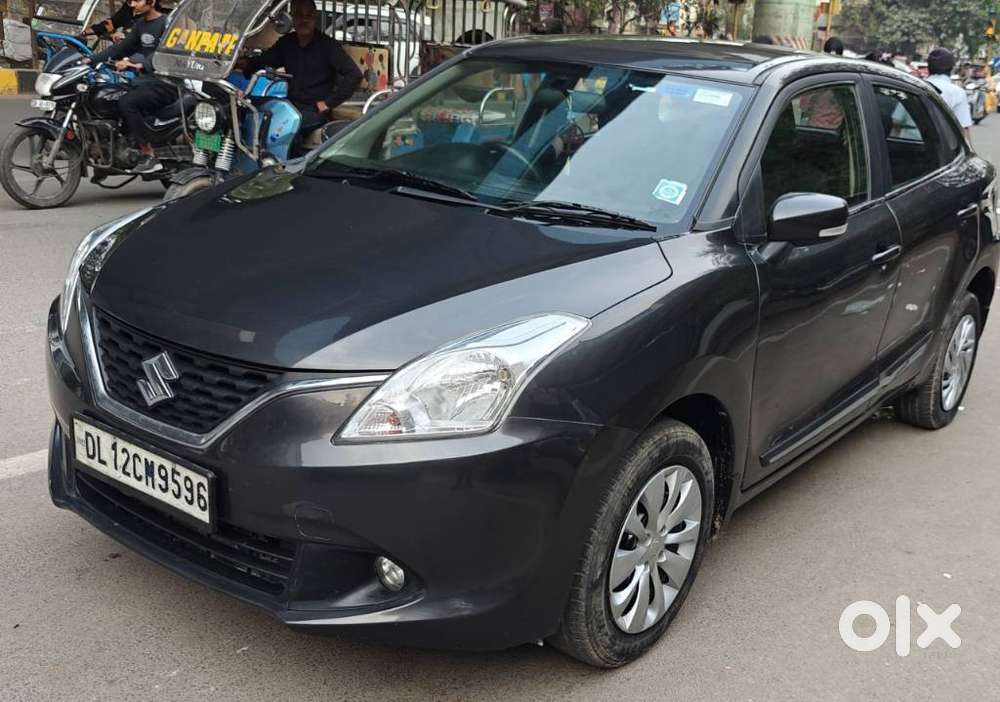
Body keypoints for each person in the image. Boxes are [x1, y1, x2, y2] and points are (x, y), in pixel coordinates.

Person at [243, 0, 362, 144]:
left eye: (309, 15)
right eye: (299, 15)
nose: (304, 20)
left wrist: (328, 103)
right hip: (290, 104)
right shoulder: (287, 43)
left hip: (314, 110)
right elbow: (263, 61)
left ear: (315, 18)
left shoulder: (328, 46)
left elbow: (354, 74)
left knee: (284, 128)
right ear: (292, 17)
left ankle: (285, 164)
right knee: (245, 106)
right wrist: (241, 64)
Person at [85, 0, 172, 173]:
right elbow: (121, 48)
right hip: (145, 81)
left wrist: (138, 65)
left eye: (137, 1)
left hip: (166, 83)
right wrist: (89, 59)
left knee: (128, 102)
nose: (132, 5)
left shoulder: (167, 23)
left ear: (152, 2)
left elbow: (166, 52)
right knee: (112, 96)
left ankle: (149, 155)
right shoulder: (140, 24)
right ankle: (119, 150)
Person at [926, 47, 973, 137]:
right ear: (951, 68)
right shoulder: (958, 93)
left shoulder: (916, 86)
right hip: (943, 147)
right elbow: (963, 129)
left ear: (928, 66)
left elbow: (897, 123)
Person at [83, 0, 166, 43]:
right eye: (130, 1)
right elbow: (113, 22)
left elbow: (146, 31)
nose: (132, 4)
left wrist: (125, 35)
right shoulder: (128, 7)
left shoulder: (154, 15)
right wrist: (89, 31)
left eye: (137, 1)